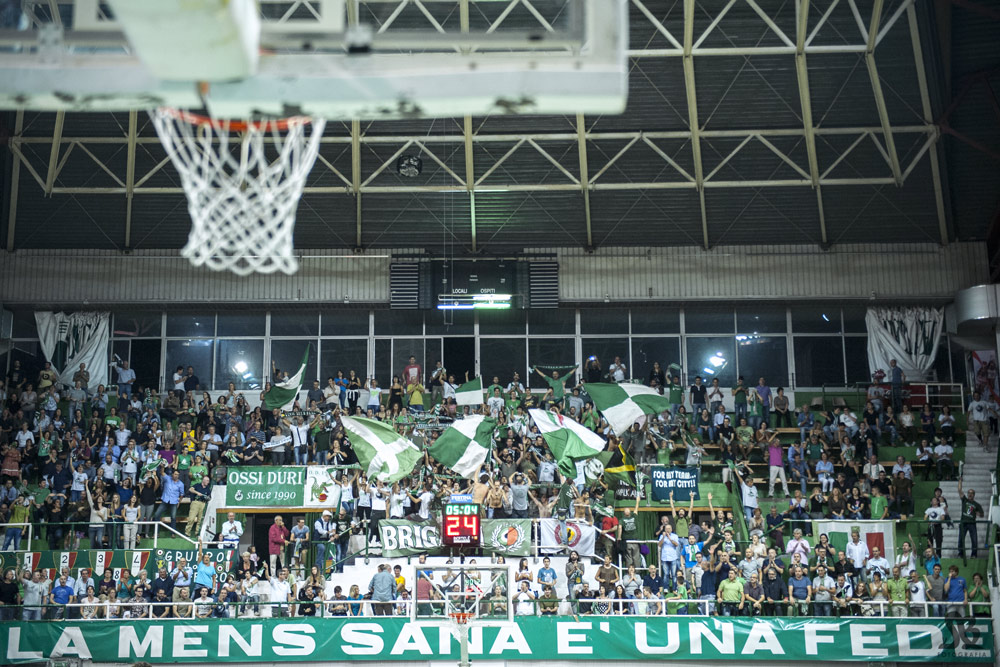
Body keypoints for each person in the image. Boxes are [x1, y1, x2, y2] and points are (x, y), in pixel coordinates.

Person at [957, 478, 984, 559]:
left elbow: (982, 514)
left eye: (972, 493)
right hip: (963, 522)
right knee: (961, 539)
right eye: (969, 493)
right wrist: (960, 481)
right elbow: (959, 490)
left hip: (972, 523)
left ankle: (974, 555)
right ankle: (960, 554)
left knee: (974, 540)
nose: (970, 494)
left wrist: (978, 513)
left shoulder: (977, 504)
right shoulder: (964, 500)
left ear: (974, 494)